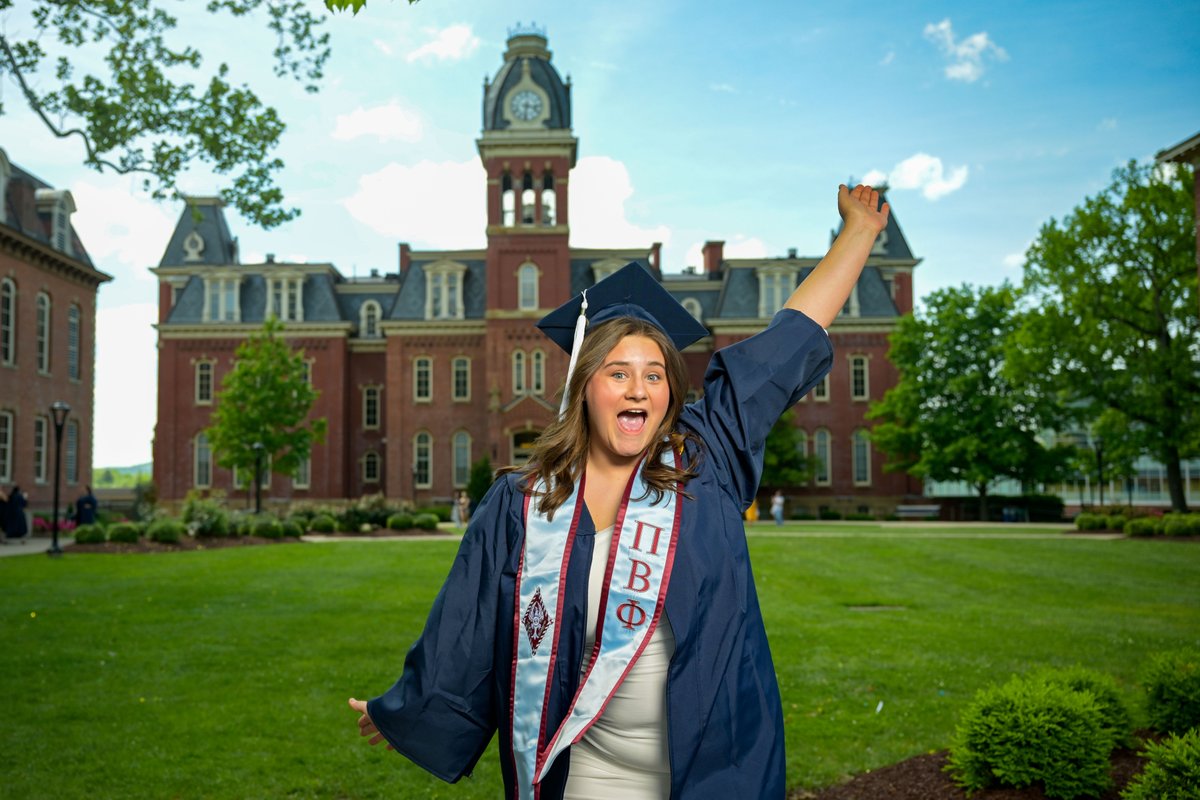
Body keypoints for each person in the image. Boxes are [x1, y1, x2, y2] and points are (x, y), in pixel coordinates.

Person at [349, 184, 889, 799]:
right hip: (585, 780)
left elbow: (785, 344)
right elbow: (467, 629)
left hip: (708, 777)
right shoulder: (522, 506)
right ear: (584, 385)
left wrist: (858, 233)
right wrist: (405, 711)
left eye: (655, 374)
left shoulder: (704, 459)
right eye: (619, 372)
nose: (639, 389)